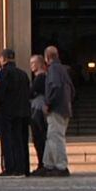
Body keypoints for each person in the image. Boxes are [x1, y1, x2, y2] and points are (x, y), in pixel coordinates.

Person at [36, 45, 73, 177]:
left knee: (56, 137)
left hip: (57, 109)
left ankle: (61, 165)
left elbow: (55, 86)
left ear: (47, 57)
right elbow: (72, 90)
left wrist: (48, 103)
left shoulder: (53, 69)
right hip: (64, 108)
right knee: (51, 137)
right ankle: (48, 164)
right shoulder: (63, 69)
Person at [0, 49, 32, 176]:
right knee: (20, 140)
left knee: (7, 140)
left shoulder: (4, 73)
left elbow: (0, 92)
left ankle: (10, 168)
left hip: (6, 112)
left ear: (3, 59)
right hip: (22, 112)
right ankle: (22, 167)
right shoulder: (23, 74)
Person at [28, 55, 48, 174]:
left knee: (39, 137)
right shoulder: (40, 77)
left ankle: (42, 163)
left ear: (40, 64)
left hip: (38, 110)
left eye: (33, 63)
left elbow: (31, 93)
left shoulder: (41, 78)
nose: (31, 65)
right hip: (37, 108)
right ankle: (42, 162)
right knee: (38, 138)